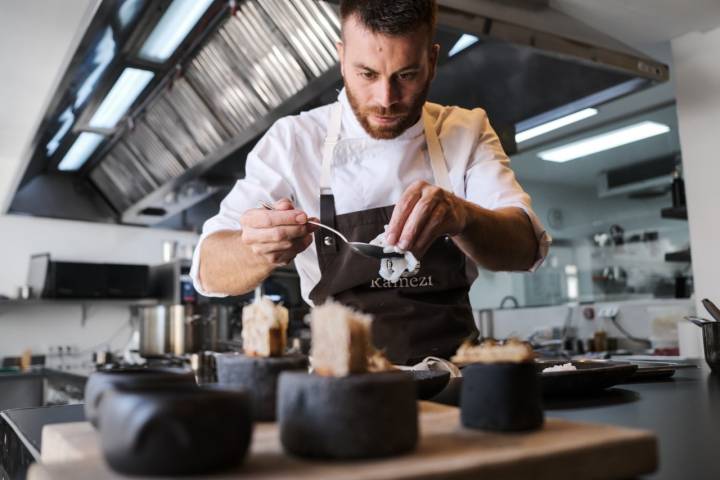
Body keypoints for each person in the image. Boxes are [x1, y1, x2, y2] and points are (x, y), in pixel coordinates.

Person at [191, 0, 550, 364]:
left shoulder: (465, 130)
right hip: (341, 384)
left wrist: (464, 216)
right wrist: (257, 247)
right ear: (342, 57)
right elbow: (208, 268)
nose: (386, 99)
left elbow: (524, 248)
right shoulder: (293, 142)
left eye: (406, 75)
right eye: (367, 74)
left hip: (456, 379)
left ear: (433, 59)